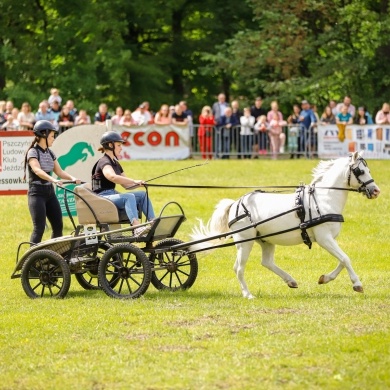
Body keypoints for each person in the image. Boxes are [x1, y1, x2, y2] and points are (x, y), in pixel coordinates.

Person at [24, 120, 80, 244]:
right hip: (36, 193)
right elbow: (37, 170)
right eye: (52, 136)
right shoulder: (33, 152)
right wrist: (53, 179)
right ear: (43, 135)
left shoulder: (50, 152)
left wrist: (72, 178)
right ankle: (31, 260)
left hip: (50, 193)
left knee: (58, 226)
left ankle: (54, 257)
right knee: (39, 228)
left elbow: (59, 171)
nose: (54, 138)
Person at [91, 131, 155, 235]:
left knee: (142, 195)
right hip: (102, 197)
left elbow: (126, 185)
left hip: (112, 194)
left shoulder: (116, 164)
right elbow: (112, 176)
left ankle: (153, 223)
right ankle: (136, 228)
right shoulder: (104, 161)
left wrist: (138, 184)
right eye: (119, 145)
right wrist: (134, 180)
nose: (121, 148)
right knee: (128, 197)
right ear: (110, 145)